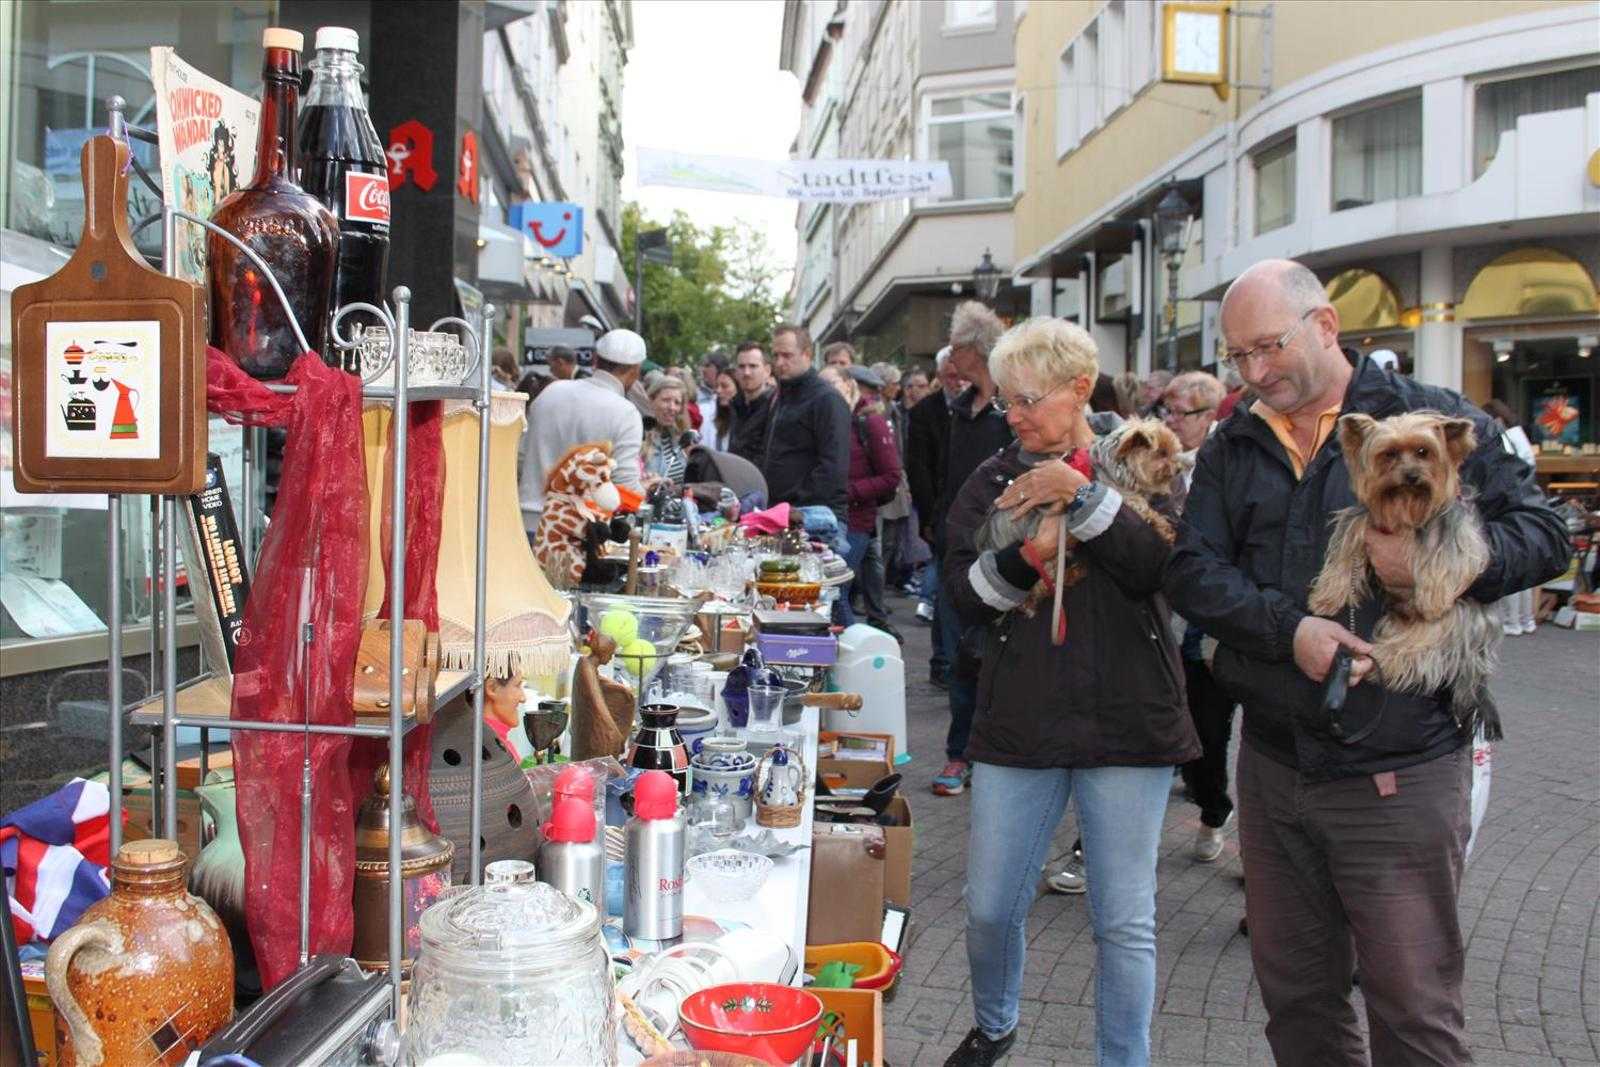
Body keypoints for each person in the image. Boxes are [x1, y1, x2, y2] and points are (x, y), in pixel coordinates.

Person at [1165, 259, 1569, 1066]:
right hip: (1275, 764)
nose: (1254, 371)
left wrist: (1440, 568)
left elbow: (1547, 531)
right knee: (1299, 1004)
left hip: (1400, 764)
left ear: (1325, 326)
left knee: (1413, 1010)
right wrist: (1292, 632)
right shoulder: (1235, 441)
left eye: (1268, 347)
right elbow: (1192, 571)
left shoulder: (1437, 419)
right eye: (1237, 356)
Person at [940, 317, 1199, 1067]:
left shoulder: (1148, 459)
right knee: (990, 907)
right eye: (1007, 401)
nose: (1012, 414)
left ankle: (1124, 1059)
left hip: (1130, 715)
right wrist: (1029, 553)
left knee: (1124, 920)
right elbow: (964, 596)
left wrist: (1083, 497)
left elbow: (1166, 567)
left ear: (1080, 388)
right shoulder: (992, 480)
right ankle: (995, 1025)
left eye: (1027, 399)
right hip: (1023, 713)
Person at [932, 302, 1013, 798]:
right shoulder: (960, 410)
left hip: (1001, 548)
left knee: (997, 658)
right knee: (963, 655)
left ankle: (993, 753)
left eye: (956, 347)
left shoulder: (1009, 408)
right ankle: (960, 752)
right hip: (956, 547)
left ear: (973, 350)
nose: (950, 358)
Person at [1160, 370, 1236, 861]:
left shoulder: (1229, 460)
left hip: (1216, 622)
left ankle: (1214, 811)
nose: (1169, 421)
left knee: (1210, 731)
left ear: (1209, 415)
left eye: (1179, 413)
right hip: (1172, 617)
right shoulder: (1159, 462)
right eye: (1165, 410)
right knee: (1180, 727)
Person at [518, 328, 646, 533]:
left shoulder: (551, 391)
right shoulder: (626, 412)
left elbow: (521, 456)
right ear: (635, 371)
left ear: (595, 360)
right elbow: (625, 483)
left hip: (527, 522)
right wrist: (647, 493)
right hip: (577, 530)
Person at [820, 365, 902, 636]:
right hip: (830, 519)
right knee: (836, 591)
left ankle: (856, 656)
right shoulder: (828, 419)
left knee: (836, 592)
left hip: (856, 521)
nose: (826, 391)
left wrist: (849, 492)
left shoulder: (869, 421)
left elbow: (892, 475)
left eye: (832, 383)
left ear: (849, 385)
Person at [760, 324, 850, 522]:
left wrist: (797, 506)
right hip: (781, 512)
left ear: (807, 354)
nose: (779, 362)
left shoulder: (826, 399)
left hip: (813, 516)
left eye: (787, 355)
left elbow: (833, 466)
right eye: (775, 355)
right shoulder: (779, 397)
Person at [906, 348, 959, 655]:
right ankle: (942, 657)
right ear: (940, 377)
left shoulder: (983, 408)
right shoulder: (925, 412)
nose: (958, 382)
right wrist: (929, 517)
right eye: (951, 376)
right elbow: (919, 470)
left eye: (962, 376)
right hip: (939, 511)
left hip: (967, 512)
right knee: (943, 583)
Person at [1483, 398, 1541, 635]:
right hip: (1526, 501)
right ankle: (1525, 620)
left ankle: (1512, 621)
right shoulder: (1519, 436)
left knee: (1510, 567)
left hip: (1509, 503)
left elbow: (1503, 470)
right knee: (1523, 569)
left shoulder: (1505, 437)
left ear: (1497, 418)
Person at [729, 341, 775, 466]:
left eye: (753, 366)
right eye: (741, 366)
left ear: (767, 371)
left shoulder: (777, 406)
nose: (746, 372)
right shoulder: (735, 405)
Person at [641, 375, 691, 489]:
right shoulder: (639, 435)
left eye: (677, 402)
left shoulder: (677, 438)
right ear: (651, 400)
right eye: (666, 400)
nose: (672, 407)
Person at [710, 367, 738, 451]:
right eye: (717, 386)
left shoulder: (745, 420)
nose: (718, 391)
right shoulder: (720, 422)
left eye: (724, 386)